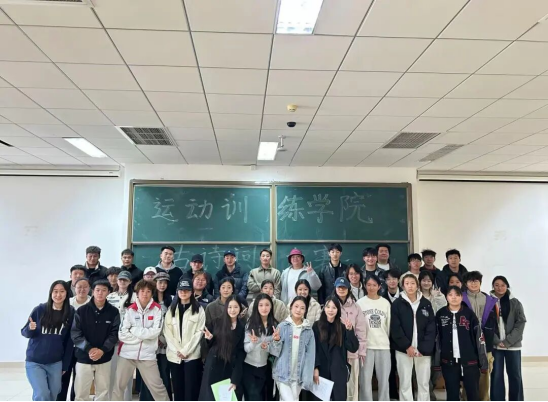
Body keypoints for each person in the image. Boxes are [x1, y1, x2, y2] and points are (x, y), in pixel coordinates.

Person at [112, 280, 169, 402]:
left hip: (147, 356)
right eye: (142, 291)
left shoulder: (157, 309)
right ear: (137, 293)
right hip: (126, 355)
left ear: (152, 293)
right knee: (118, 387)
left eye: (148, 291)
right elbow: (122, 334)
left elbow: (155, 332)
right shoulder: (130, 310)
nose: (145, 294)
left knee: (157, 387)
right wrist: (142, 338)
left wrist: (134, 330)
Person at [22, 280, 75, 402]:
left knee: (54, 394)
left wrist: (65, 364)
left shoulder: (70, 312)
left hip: (55, 362)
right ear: (51, 293)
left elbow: (69, 341)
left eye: (62, 291)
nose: (58, 295)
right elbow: (24, 332)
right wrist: (30, 329)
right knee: (42, 394)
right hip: (35, 361)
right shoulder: (40, 310)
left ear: (67, 293)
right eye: (55, 291)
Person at [436, 286, 488, 402]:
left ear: (461, 297)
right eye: (450, 295)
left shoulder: (469, 314)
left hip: (470, 362)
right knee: (452, 394)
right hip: (448, 362)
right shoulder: (441, 314)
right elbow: (437, 340)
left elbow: (479, 339)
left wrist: (483, 362)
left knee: (473, 393)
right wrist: (436, 362)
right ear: (446, 297)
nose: (454, 297)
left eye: (457, 295)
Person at [71, 280, 119, 402]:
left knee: (103, 392)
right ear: (93, 291)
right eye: (97, 290)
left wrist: (102, 350)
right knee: (81, 393)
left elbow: (114, 334)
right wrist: (89, 349)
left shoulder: (114, 312)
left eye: (104, 290)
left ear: (108, 292)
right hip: (83, 357)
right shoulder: (81, 311)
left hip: (104, 358)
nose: (100, 293)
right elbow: (76, 334)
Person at [391, 273, 436, 401]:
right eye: (407, 283)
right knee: (405, 382)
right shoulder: (397, 304)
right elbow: (395, 328)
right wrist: (407, 346)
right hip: (404, 349)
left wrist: (424, 348)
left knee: (423, 382)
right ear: (403, 286)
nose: (410, 286)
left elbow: (431, 328)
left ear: (417, 285)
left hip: (423, 350)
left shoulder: (426, 303)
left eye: (412, 283)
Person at [164, 278, 206, 401]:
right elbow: (167, 332)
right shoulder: (171, 309)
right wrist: (178, 350)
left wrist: (185, 351)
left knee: (191, 390)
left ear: (192, 292)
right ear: (177, 292)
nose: (183, 292)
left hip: (192, 356)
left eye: (186, 290)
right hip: (174, 356)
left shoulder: (199, 309)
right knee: (178, 389)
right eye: (181, 290)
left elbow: (199, 332)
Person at [199, 296, 246, 401]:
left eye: (236, 307)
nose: (232, 310)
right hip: (214, 367)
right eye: (230, 307)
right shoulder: (216, 322)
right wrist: (209, 339)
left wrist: (235, 379)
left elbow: (241, 354)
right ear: (226, 308)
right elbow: (209, 345)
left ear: (240, 308)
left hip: (230, 369)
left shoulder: (242, 327)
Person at [312, 296, 359, 400]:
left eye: (334, 307)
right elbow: (314, 349)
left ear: (338, 310)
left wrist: (350, 331)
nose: (331, 310)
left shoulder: (342, 327)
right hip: (322, 370)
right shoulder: (316, 326)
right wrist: (315, 368)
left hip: (338, 371)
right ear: (324, 308)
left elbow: (353, 348)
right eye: (328, 307)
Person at [270, 296, 316, 402]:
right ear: (291, 307)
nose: (298, 310)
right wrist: (276, 340)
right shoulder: (282, 326)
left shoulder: (308, 331)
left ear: (305, 311)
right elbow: (274, 352)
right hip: (282, 374)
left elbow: (310, 356)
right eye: (296, 306)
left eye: (302, 308)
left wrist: (307, 378)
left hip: (298, 376)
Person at [462, 271, 498, 401]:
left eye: (476, 281)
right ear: (466, 283)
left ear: (480, 283)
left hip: (486, 343)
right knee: (468, 374)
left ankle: (484, 399)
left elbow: (495, 322)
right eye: (470, 281)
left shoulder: (490, 300)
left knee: (485, 374)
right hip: (467, 343)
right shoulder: (460, 299)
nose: (473, 283)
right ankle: (466, 398)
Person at [490, 276, 527, 402]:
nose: (500, 288)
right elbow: (486, 324)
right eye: (496, 285)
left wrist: (507, 341)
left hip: (513, 346)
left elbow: (520, 323)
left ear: (507, 286)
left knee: (515, 375)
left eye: (503, 285)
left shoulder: (515, 302)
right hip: (496, 346)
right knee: (496, 375)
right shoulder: (489, 302)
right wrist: (497, 341)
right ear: (493, 286)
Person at [357, 275, 392, 402]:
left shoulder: (385, 303)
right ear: (365, 286)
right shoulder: (359, 303)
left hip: (383, 346)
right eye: (368, 285)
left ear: (379, 287)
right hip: (365, 347)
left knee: (384, 379)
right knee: (365, 379)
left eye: (374, 285)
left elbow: (388, 326)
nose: (371, 287)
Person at [140, 272, 173, 401]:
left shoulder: (172, 300)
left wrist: (163, 339)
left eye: (165, 282)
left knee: (164, 373)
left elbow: (172, 323)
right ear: (154, 283)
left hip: (165, 344)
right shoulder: (147, 300)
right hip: (149, 343)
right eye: (160, 282)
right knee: (148, 375)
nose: (162, 285)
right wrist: (154, 337)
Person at [333, 277, 367, 402]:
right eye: (339, 287)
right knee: (338, 385)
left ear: (348, 289)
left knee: (353, 384)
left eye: (344, 287)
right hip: (336, 353)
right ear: (335, 288)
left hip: (353, 352)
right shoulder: (330, 305)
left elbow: (361, 330)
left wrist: (361, 351)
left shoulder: (355, 307)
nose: (341, 290)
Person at [106, 270, 135, 401]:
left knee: (126, 374)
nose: (122, 282)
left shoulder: (135, 297)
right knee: (111, 373)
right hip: (112, 339)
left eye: (125, 280)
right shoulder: (110, 296)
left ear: (130, 282)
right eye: (120, 279)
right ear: (117, 281)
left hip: (128, 341)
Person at [243, 293, 277, 401]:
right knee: (253, 397)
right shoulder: (250, 323)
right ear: (256, 307)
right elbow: (246, 348)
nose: (264, 308)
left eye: (267, 305)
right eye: (261, 305)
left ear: (271, 306)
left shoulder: (274, 325)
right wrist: (253, 343)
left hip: (265, 367)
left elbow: (276, 350)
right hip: (249, 366)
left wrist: (270, 344)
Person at [419, 270, 447, 401]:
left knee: (436, 366)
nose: (426, 283)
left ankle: (432, 387)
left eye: (429, 280)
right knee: (423, 366)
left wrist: (436, 297)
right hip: (421, 336)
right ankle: (428, 393)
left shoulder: (439, 295)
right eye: (423, 280)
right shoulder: (416, 296)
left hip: (437, 336)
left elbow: (443, 311)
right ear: (419, 282)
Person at [382, 268, 402, 401]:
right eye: (388, 279)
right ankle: (393, 394)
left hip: (403, 338)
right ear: (385, 281)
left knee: (404, 369)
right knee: (389, 368)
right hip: (386, 339)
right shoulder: (381, 297)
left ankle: (406, 395)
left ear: (399, 280)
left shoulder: (405, 296)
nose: (392, 281)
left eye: (394, 278)